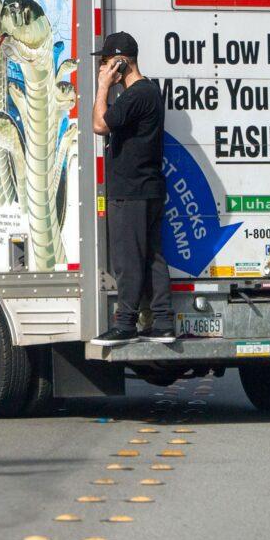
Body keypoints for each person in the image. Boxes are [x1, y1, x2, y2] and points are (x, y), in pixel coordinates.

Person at [89, 31, 174, 346]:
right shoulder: (149, 91)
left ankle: (125, 323)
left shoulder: (137, 94)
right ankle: (163, 321)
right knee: (152, 256)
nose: (102, 68)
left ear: (121, 62)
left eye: (106, 62)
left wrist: (101, 88)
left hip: (131, 191)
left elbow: (99, 125)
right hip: (147, 188)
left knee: (128, 260)